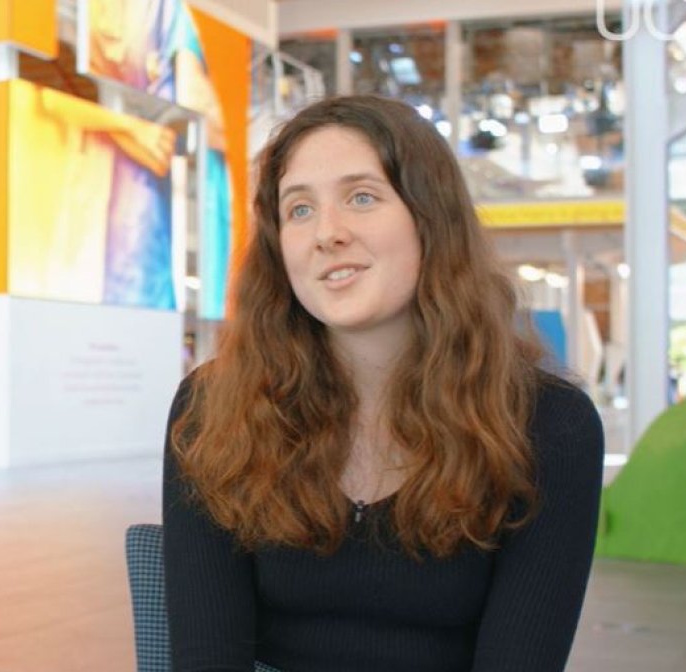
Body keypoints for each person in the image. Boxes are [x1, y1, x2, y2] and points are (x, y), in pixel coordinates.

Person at [162, 96, 604, 672]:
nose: (327, 233)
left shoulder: (549, 426)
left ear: (431, 219)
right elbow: (208, 658)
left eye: (362, 197)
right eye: (299, 209)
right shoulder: (212, 410)